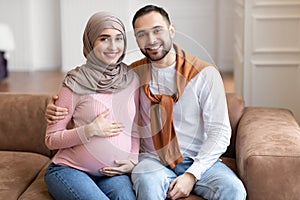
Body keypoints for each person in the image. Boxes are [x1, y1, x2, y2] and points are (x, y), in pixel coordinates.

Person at [46, 5, 247, 200]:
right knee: (147, 184)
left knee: (235, 190)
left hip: (197, 161)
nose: (151, 40)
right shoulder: (132, 75)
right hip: (153, 161)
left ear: (171, 30)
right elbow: (96, 94)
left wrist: (192, 174)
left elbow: (220, 132)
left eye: (157, 30)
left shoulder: (204, 74)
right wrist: (55, 107)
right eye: (142, 34)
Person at [44, 11, 140, 200]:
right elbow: (51, 139)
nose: (113, 46)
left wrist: (133, 160)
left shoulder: (132, 79)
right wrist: (89, 130)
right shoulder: (74, 82)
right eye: (104, 38)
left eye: (118, 38)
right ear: (90, 42)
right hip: (70, 170)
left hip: (111, 174)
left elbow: (136, 125)